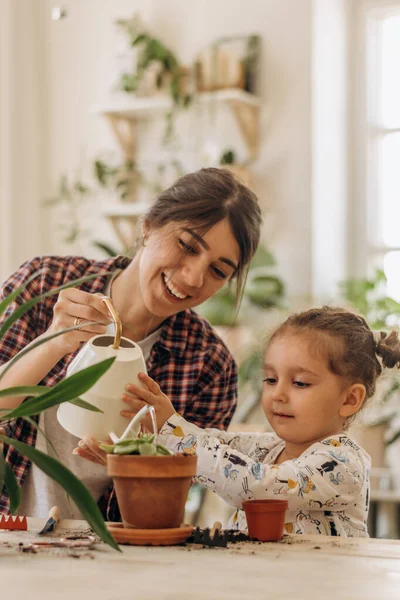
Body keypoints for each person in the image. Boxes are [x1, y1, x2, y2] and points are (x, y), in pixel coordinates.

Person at [0, 167, 262, 520]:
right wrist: (52, 343)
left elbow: (167, 506)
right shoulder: (46, 285)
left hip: (111, 556)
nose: (193, 277)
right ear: (149, 225)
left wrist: (135, 466)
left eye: (218, 271)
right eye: (186, 246)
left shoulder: (208, 365)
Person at [121, 306, 400, 537]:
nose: (277, 394)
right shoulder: (269, 448)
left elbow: (255, 486)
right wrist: (133, 449)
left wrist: (173, 429)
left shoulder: (343, 463)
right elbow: (212, 443)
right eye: (270, 379)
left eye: (300, 383)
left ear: (349, 399)